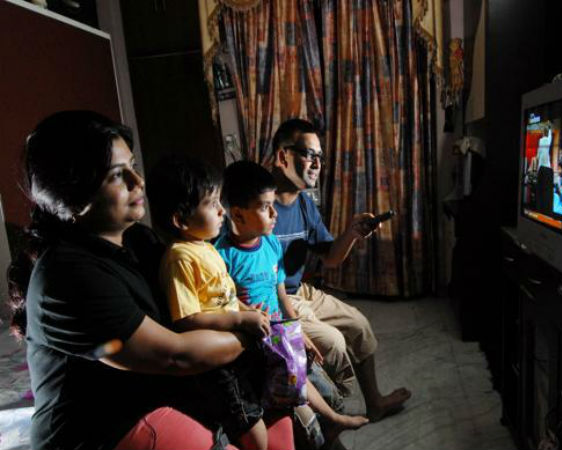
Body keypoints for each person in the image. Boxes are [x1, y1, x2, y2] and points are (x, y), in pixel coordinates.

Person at [7, 111, 294, 450]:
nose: (137, 181)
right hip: (105, 431)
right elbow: (176, 356)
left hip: (160, 394)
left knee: (282, 413)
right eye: (118, 175)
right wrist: (253, 332)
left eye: (133, 166)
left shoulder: (138, 240)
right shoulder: (67, 275)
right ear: (74, 193)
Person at [215, 161, 369, 445]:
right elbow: (224, 302)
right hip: (258, 346)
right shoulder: (221, 255)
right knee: (306, 417)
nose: (275, 214)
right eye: (265, 207)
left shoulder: (271, 244)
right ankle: (326, 426)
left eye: (273, 204)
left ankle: (333, 420)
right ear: (237, 213)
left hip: (283, 335)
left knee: (328, 393)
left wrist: (299, 333)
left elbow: (282, 295)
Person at [270, 118, 411, 422]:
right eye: (310, 154)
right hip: (273, 299)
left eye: (320, 157)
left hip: (299, 290)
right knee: (333, 343)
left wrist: (351, 233)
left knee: (359, 324)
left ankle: (374, 402)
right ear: (283, 156)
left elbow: (331, 258)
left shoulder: (304, 204)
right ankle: (331, 421)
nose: (317, 164)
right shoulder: (259, 204)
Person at [146, 155, 273, 450]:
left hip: (234, 346)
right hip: (217, 365)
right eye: (212, 203)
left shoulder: (205, 246)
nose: (221, 210)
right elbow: (187, 319)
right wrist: (240, 319)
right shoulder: (180, 257)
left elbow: (224, 296)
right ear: (181, 220)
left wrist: (247, 311)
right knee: (251, 428)